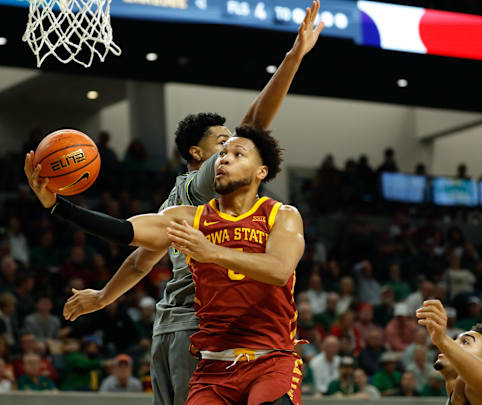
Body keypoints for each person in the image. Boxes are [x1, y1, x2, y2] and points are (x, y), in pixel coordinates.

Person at [27, 6, 323, 404]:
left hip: (168, 328)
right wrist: (293, 59)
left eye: (234, 147)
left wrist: (101, 296)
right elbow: (255, 122)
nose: (229, 149)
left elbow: (139, 260)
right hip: (200, 329)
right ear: (198, 153)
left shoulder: (176, 202)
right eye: (222, 143)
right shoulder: (203, 187)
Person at [417, 300, 482, 405]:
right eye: (455, 339)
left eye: (465, 342)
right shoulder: (456, 391)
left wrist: (443, 340)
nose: (453, 344)